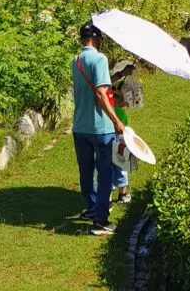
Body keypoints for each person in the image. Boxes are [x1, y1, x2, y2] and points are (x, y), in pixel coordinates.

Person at [71, 21, 125, 235]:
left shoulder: (75, 60)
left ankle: (92, 208)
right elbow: (101, 93)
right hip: (100, 128)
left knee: (86, 171)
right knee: (105, 173)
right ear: (97, 39)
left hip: (79, 125)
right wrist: (116, 120)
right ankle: (101, 222)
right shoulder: (100, 58)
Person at [109, 60, 143, 205]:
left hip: (108, 136)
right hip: (122, 138)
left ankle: (108, 193)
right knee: (122, 163)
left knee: (108, 165)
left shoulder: (108, 110)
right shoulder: (120, 114)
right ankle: (122, 194)